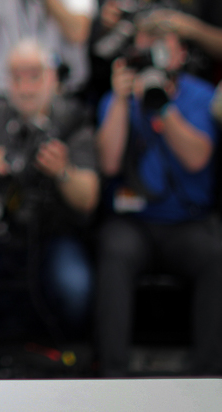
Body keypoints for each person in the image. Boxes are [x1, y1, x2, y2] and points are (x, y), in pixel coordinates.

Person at [0, 39, 100, 377]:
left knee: (75, 285)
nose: (25, 86)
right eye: (16, 77)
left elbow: (88, 198)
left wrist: (62, 170)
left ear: (53, 78)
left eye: (34, 76)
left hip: (54, 231)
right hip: (0, 228)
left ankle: (72, 365)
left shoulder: (73, 118)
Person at [95, 27, 222, 377]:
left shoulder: (199, 95)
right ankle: (113, 373)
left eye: (163, 44)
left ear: (181, 54)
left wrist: (163, 108)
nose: (154, 52)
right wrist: (122, 101)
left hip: (187, 222)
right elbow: (108, 162)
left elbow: (198, 158)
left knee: (216, 256)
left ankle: (210, 373)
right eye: (146, 44)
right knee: (114, 251)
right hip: (134, 222)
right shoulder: (117, 96)